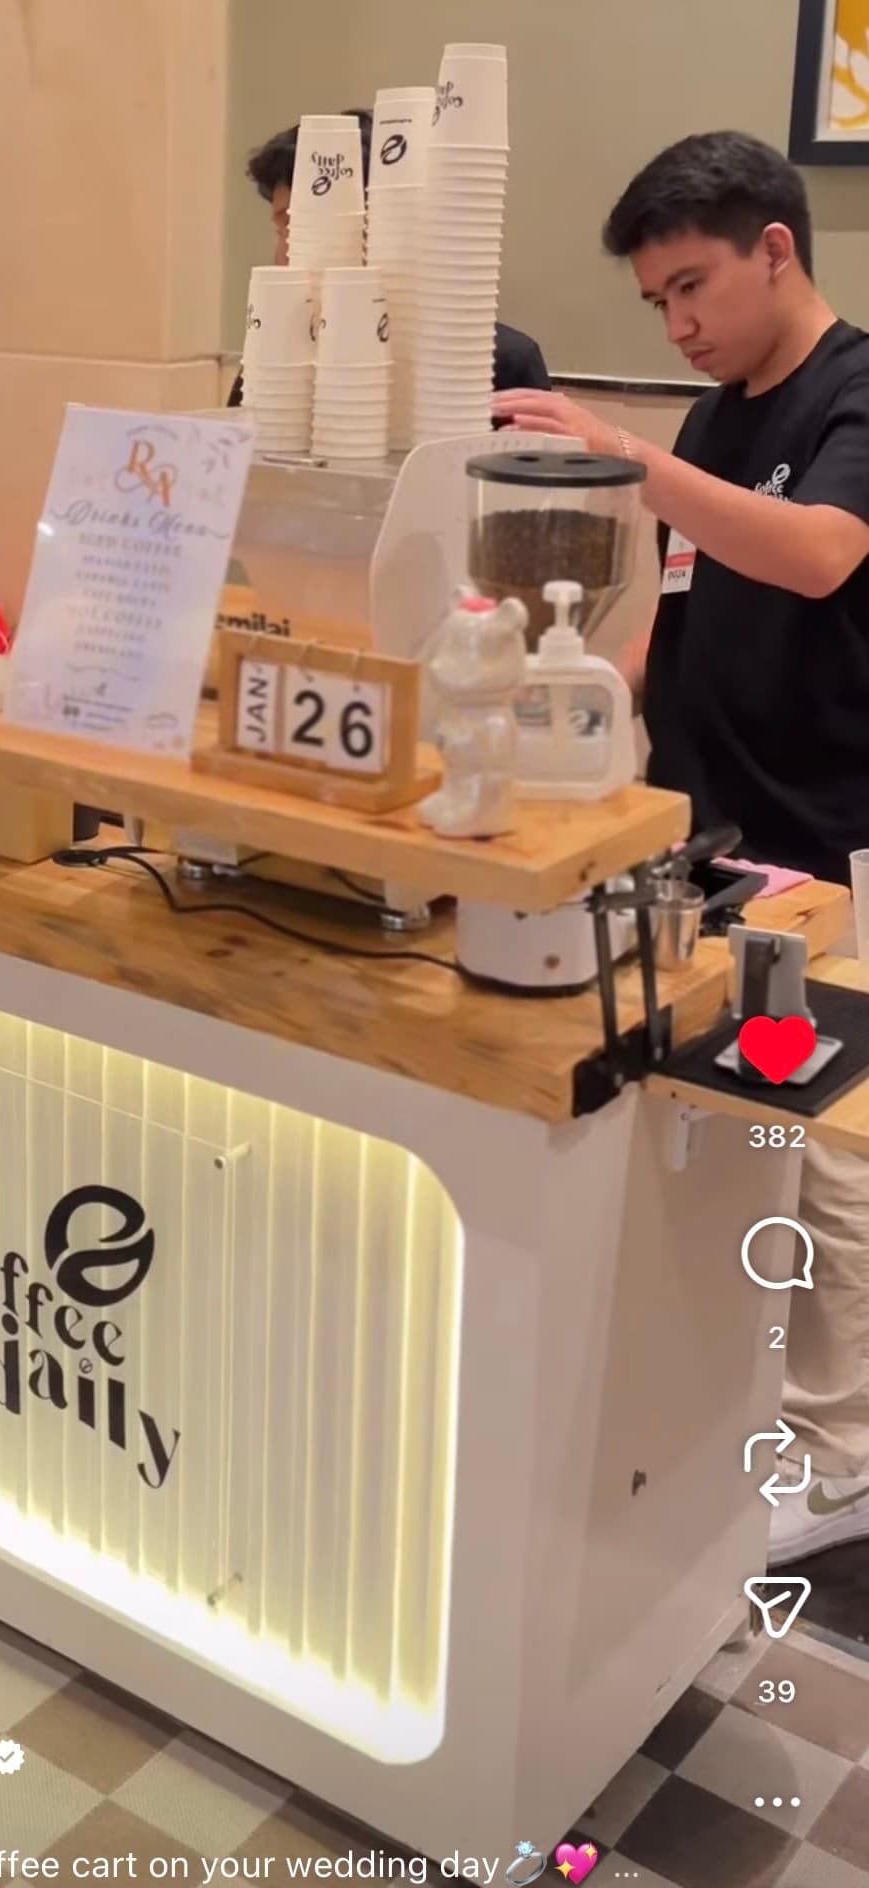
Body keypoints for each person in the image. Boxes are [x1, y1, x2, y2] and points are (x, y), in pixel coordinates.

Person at [493, 131, 869, 1568]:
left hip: (834, 847)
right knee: (739, 1138)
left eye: (693, 287)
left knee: (832, 1158)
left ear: (779, 247)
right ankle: (752, 1412)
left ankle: (844, 1456)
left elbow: (822, 551)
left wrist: (628, 456)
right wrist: (580, 721)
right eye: (657, 304)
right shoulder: (720, 414)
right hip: (721, 838)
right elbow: (685, 611)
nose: (679, 324)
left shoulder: (853, 389)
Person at [231, 110, 551, 404]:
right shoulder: (274, 355)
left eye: (300, 226)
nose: (285, 255)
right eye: (282, 229)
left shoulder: (500, 363)